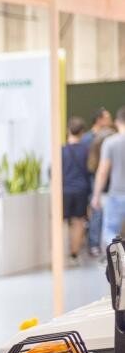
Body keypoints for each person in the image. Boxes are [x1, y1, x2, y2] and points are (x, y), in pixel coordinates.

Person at [91, 104, 125, 249]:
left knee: (111, 232)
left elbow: (103, 171)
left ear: (117, 122)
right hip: (116, 195)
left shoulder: (110, 142)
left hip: (116, 194)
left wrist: (96, 195)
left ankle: (119, 268)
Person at [62, 116, 93, 261]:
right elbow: (91, 170)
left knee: (62, 221)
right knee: (79, 221)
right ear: (82, 132)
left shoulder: (61, 151)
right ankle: (74, 253)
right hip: (81, 190)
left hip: (65, 190)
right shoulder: (86, 151)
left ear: (68, 130)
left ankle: (61, 252)